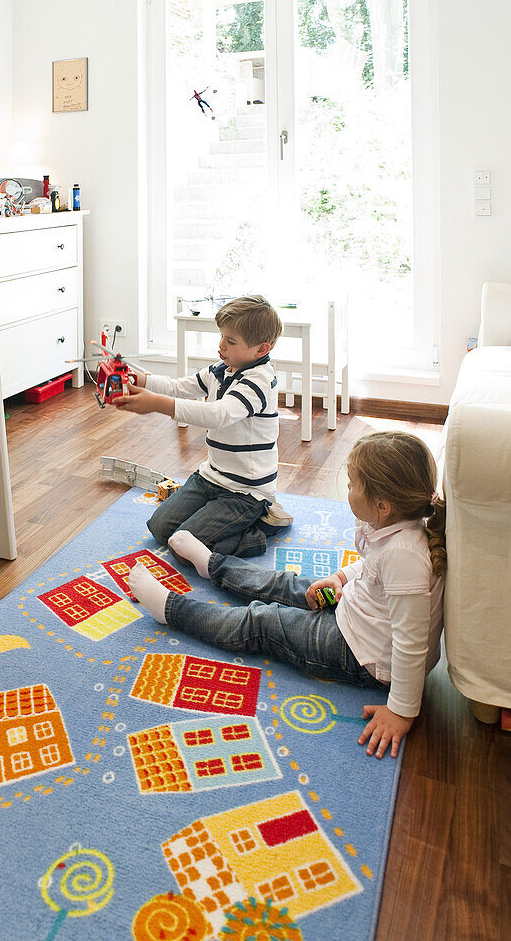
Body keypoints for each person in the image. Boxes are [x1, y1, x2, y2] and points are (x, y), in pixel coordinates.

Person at [128, 430, 446, 759]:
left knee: (262, 621)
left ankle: (171, 609)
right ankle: (213, 565)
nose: (348, 489)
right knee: (285, 583)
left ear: (383, 505)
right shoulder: (398, 530)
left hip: (363, 654)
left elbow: (411, 642)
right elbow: (372, 569)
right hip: (360, 616)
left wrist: (401, 711)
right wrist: (340, 577)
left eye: (353, 484)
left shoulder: (405, 557)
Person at [113, 295, 287, 558]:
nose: (221, 346)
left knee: (182, 546)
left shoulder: (259, 381)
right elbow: (180, 387)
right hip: (212, 476)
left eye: (231, 341)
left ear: (261, 349)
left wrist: (158, 404)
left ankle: (257, 526)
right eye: (221, 337)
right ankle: (227, 519)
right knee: (160, 528)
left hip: (245, 491)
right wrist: (141, 379)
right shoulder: (223, 368)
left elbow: (219, 414)